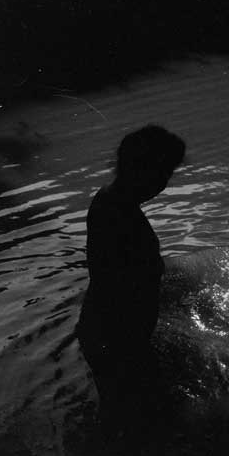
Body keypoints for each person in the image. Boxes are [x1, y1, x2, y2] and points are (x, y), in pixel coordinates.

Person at [77, 124, 186, 439]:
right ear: (144, 170)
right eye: (164, 172)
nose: (165, 183)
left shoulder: (114, 203)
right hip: (114, 336)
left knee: (124, 415)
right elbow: (115, 282)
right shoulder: (116, 212)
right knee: (130, 422)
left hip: (112, 333)